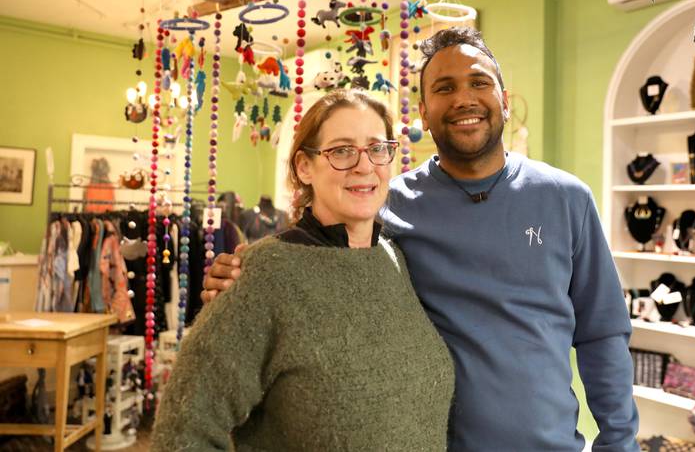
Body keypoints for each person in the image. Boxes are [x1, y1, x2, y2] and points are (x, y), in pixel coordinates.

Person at [206, 27, 639, 451]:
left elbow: (602, 334)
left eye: (479, 83)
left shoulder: (566, 200)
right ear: (424, 112)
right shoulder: (388, 205)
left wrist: (619, 443)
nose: (464, 98)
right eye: (444, 88)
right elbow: (319, 259)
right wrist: (247, 273)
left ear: (504, 102)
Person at [152, 89, 454, 451]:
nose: (364, 165)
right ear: (304, 167)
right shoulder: (264, 273)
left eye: (377, 148)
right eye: (342, 150)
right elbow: (184, 427)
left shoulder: (394, 258)